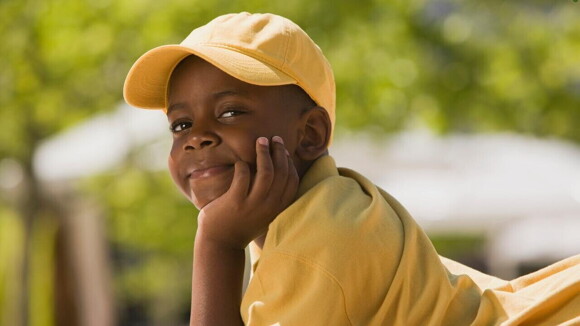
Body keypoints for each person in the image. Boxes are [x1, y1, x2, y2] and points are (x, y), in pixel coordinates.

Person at [123, 12, 580, 325]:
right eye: (180, 123)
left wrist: (216, 245)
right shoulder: (322, 212)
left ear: (310, 135)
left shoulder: (321, 241)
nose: (196, 137)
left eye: (230, 113)